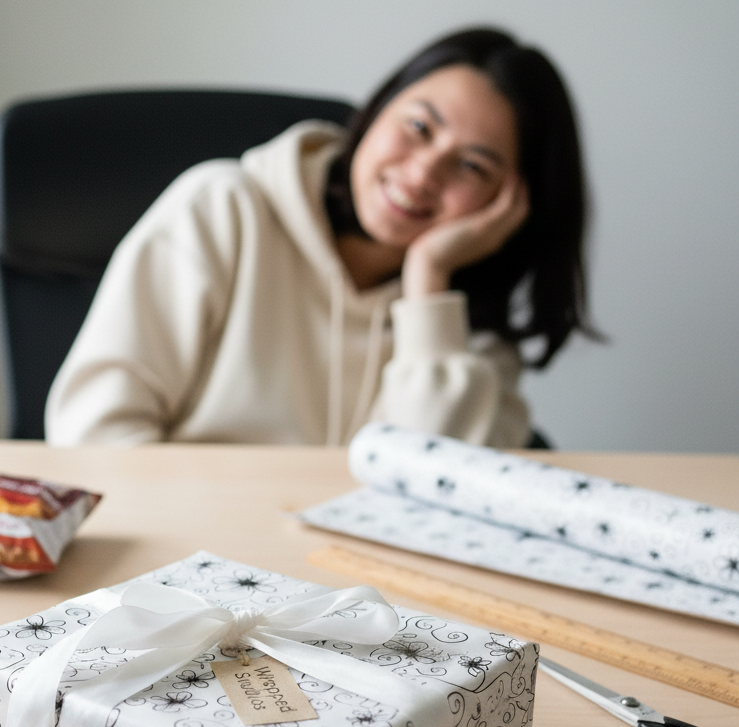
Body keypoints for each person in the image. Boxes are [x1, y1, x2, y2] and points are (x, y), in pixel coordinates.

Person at [45, 27, 596, 448]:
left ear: (513, 204)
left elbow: (426, 502)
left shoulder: (470, 342)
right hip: (178, 578)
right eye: (419, 127)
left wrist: (428, 279)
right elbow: (91, 435)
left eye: (473, 166)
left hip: (349, 597)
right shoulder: (224, 208)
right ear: (377, 110)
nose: (425, 172)